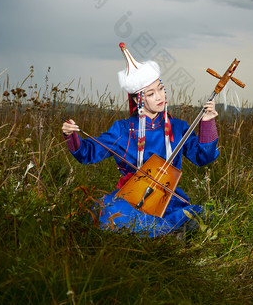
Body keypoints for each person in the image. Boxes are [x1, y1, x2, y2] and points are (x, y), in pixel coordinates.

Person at [62, 42, 219, 237]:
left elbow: (204, 157)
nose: (160, 96)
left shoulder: (178, 127)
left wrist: (207, 122)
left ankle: (163, 230)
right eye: (151, 93)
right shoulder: (123, 129)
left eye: (161, 89)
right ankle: (170, 231)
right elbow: (87, 153)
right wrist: (71, 135)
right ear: (137, 100)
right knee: (109, 211)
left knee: (193, 212)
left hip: (167, 198)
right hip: (131, 197)